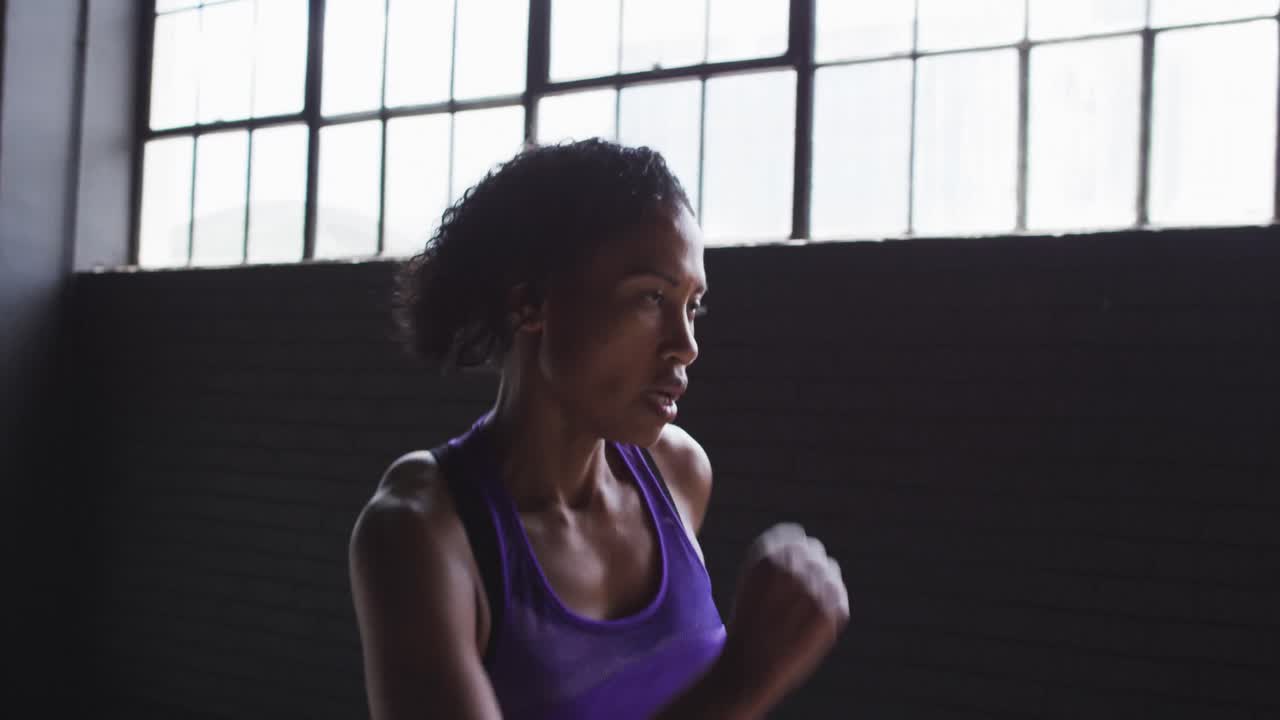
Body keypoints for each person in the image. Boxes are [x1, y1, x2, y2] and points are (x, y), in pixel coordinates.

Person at [348, 139, 849, 719]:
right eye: (651, 297)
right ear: (531, 303)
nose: (685, 346)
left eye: (693, 306)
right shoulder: (422, 530)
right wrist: (739, 685)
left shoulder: (678, 473)